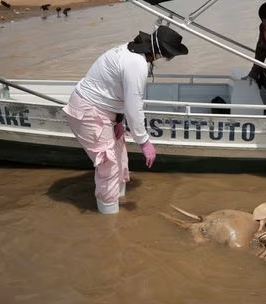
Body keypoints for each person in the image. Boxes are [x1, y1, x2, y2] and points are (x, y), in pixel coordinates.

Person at [63, 25, 189, 214]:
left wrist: (119, 121)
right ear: (162, 54)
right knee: (109, 167)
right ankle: (109, 222)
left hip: (105, 112)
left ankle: (116, 202)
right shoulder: (136, 64)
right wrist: (144, 141)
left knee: (120, 158)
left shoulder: (131, 50)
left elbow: (115, 90)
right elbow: (133, 106)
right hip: (89, 112)